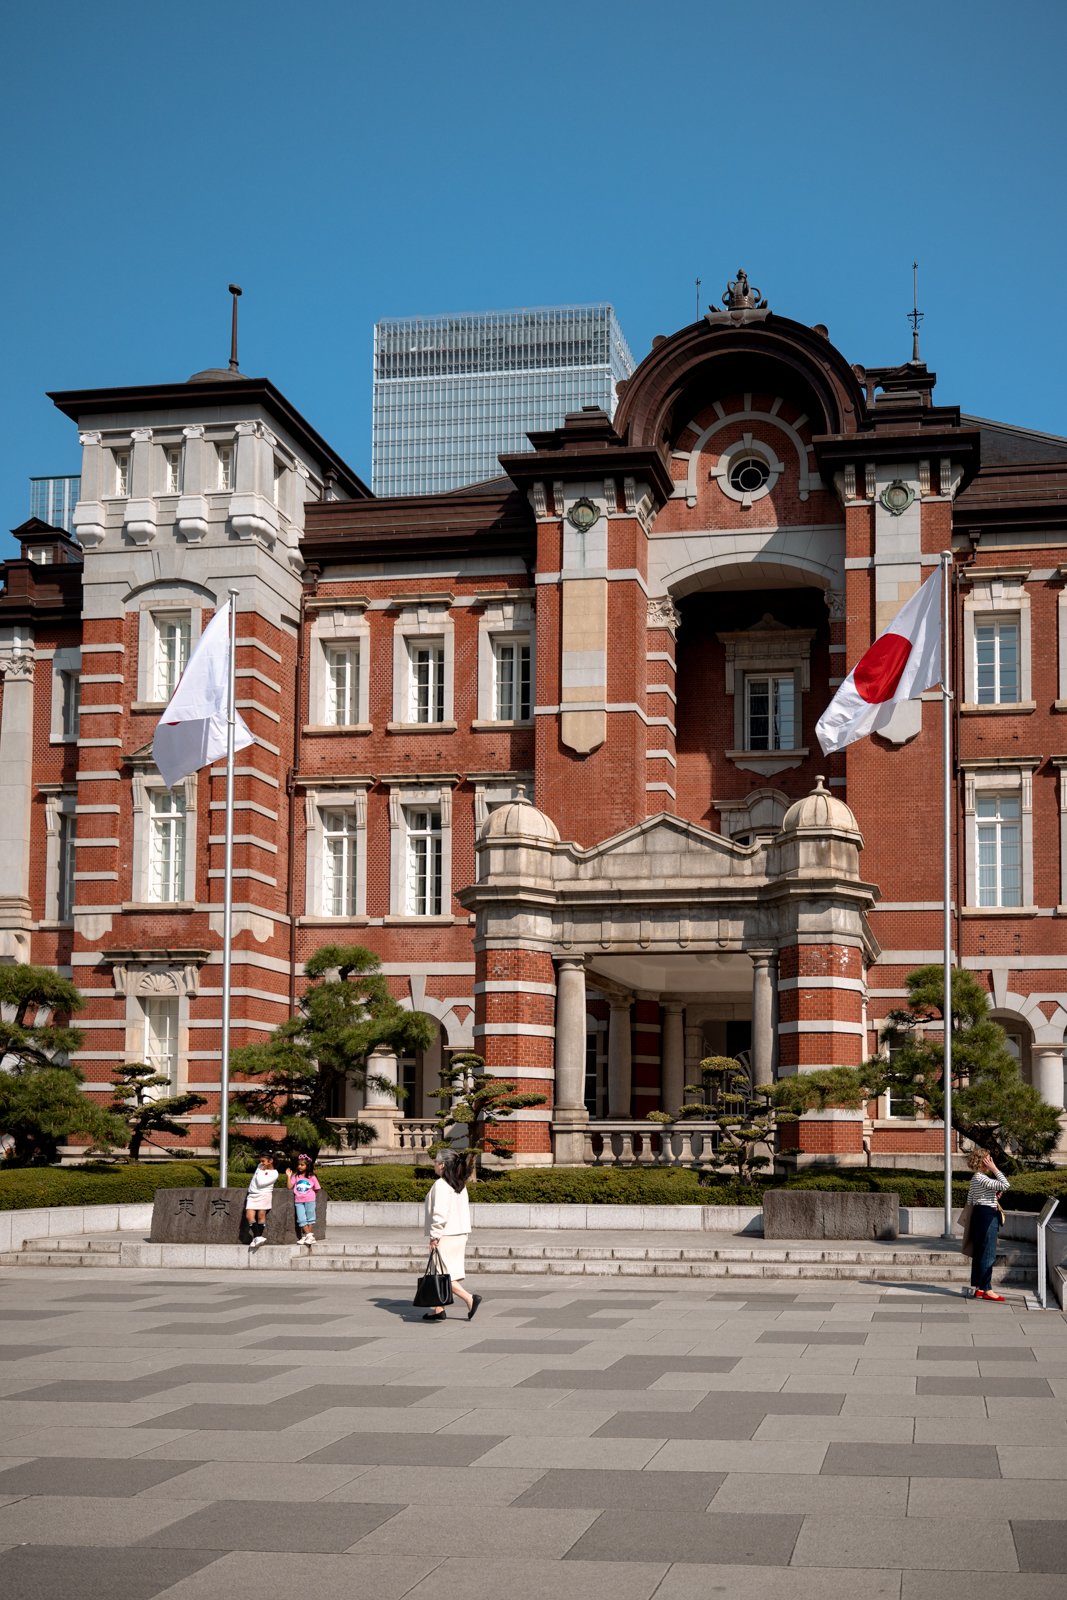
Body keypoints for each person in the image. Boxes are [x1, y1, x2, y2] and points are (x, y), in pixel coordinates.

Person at [422, 1150, 481, 1323]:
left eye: (435, 1161)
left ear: (442, 1165)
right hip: (459, 1233)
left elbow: (440, 1213)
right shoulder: (459, 1184)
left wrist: (434, 1236)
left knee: (442, 1274)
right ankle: (438, 1309)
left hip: (446, 1234)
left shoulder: (441, 1185)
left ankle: (470, 1298)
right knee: (444, 1272)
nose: (434, 1164)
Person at [965, 1147, 1010, 1301]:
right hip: (987, 1216)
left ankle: (978, 1287)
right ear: (983, 1161)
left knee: (979, 1253)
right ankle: (987, 1289)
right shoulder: (982, 1178)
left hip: (978, 1215)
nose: (991, 1162)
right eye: (989, 1160)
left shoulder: (975, 1178)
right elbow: (1005, 1184)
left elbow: (971, 1200)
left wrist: (993, 1196)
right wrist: (995, 1169)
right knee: (988, 1254)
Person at [244, 1152, 279, 1250]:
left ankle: (256, 1238)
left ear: (270, 1161)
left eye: (263, 1161)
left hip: (264, 1195)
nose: (261, 1163)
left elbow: (260, 1183)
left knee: (261, 1216)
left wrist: (260, 1171)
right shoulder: (260, 1166)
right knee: (249, 1215)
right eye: (261, 1161)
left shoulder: (274, 1173)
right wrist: (261, 1169)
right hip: (252, 1195)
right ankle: (258, 1237)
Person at [286, 1153, 321, 1246]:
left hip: (310, 1200)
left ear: (307, 1166)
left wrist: (309, 1194)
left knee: (310, 1218)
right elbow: (289, 1186)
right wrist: (289, 1176)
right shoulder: (296, 1176)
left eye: (302, 1165)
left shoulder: (312, 1177)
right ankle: (310, 1236)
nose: (300, 1167)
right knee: (301, 1219)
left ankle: (306, 1236)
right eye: (299, 1165)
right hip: (298, 1200)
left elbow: (317, 1188)